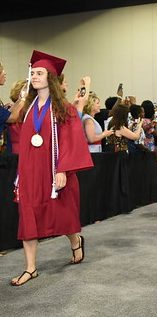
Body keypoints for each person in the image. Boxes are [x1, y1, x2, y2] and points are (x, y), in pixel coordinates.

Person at [10, 50, 94, 286]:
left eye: (39, 73)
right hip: (30, 172)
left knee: (62, 214)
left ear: (51, 78)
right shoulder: (27, 110)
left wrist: (63, 170)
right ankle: (30, 268)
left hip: (53, 169)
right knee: (27, 216)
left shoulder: (64, 109)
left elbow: (70, 141)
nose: (34, 76)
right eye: (32, 73)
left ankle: (75, 240)